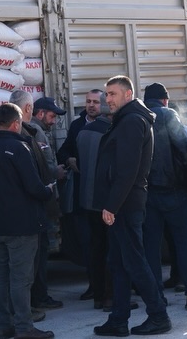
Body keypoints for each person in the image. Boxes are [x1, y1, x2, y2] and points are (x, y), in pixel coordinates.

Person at [93, 75, 171, 337]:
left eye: (113, 94)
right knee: (118, 263)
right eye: (107, 94)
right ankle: (118, 319)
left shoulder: (131, 121)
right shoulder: (128, 119)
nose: (108, 99)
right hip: (123, 203)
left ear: (128, 95)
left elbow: (127, 171)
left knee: (135, 262)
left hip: (125, 205)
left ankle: (158, 316)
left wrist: (112, 206)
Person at [0, 103, 56, 339]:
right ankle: (24, 327)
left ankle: (3, 326)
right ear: (16, 123)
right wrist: (48, 190)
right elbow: (34, 188)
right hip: (21, 226)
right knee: (21, 278)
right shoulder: (20, 148)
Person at [140, 83, 187, 311]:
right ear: (164, 100)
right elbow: (183, 149)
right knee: (183, 244)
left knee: (151, 247)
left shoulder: (138, 115)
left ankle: (156, 297)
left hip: (147, 194)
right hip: (174, 191)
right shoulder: (168, 114)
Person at [55, 88, 103, 301]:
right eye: (88, 101)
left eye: (95, 102)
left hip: (102, 197)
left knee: (105, 244)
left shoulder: (107, 126)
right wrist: (69, 160)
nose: (91, 105)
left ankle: (108, 287)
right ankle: (94, 285)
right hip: (82, 197)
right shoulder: (77, 125)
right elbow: (63, 151)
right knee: (88, 243)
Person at [29, 96, 68, 311]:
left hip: (39, 201)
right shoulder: (36, 132)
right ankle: (40, 296)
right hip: (41, 202)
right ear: (40, 113)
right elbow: (44, 167)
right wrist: (57, 172)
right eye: (52, 116)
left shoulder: (34, 130)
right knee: (39, 252)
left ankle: (38, 295)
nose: (53, 121)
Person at [76, 92, 113, 310]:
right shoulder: (109, 133)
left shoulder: (83, 132)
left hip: (86, 200)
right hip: (105, 201)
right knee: (111, 250)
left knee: (96, 250)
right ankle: (110, 297)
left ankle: (98, 295)